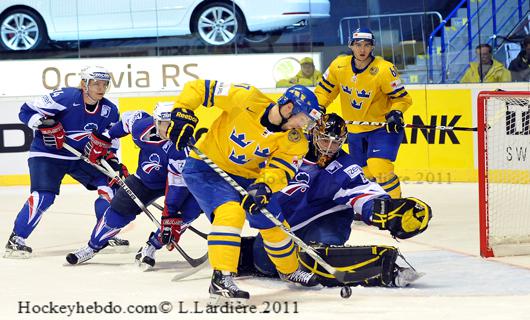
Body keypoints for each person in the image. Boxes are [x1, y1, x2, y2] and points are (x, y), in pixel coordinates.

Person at [168, 80, 322, 304]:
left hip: (248, 177)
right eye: (303, 118)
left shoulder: (295, 140)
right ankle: (221, 278)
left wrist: (265, 186)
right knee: (231, 213)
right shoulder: (246, 97)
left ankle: (289, 270)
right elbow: (200, 88)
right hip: (206, 168)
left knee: (275, 224)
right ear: (289, 108)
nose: (304, 125)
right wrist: (183, 112)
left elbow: (282, 168)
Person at [236, 113, 431, 288]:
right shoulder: (287, 151)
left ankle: (382, 268)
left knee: (315, 257)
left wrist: (384, 209)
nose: (329, 148)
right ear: (314, 135)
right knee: (264, 264)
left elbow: (363, 192)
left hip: (326, 221)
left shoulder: (344, 167)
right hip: (287, 225)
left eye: (335, 143)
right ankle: (243, 250)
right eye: (324, 141)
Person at [4, 66, 129, 258]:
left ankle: (104, 234)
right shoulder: (65, 97)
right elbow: (26, 111)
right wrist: (44, 123)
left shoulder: (110, 110)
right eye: (95, 83)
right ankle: (16, 240)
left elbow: (110, 139)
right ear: (83, 84)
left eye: (104, 84)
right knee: (44, 196)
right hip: (48, 154)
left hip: (80, 157)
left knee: (110, 187)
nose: (100, 88)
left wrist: (111, 158)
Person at [65, 102, 202, 266]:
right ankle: (92, 247)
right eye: (164, 124)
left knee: (189, 211)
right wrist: (103, 139)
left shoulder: (182, 148)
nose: (168, 130)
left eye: (172, 125)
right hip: (145, 180)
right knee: (118, 211)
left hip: (183, 184)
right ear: (155, 121)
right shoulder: (141, 127)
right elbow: (125, 123)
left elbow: (176, 187)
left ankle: (152, 246)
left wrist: (170, 215)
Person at [314, 28, 412, 199]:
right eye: (358, 45)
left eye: (367, 45)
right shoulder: (338, 66)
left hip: (382, 128)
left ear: (372, 47)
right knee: (361, 173)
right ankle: (371, 203)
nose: (362, 49)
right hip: (354, 130)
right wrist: (319, 107)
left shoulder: (384, 70)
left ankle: (396, 204)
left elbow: (403, 99)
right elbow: (324, 92)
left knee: (379, 166)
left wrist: (396, 112)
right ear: (351, 46)